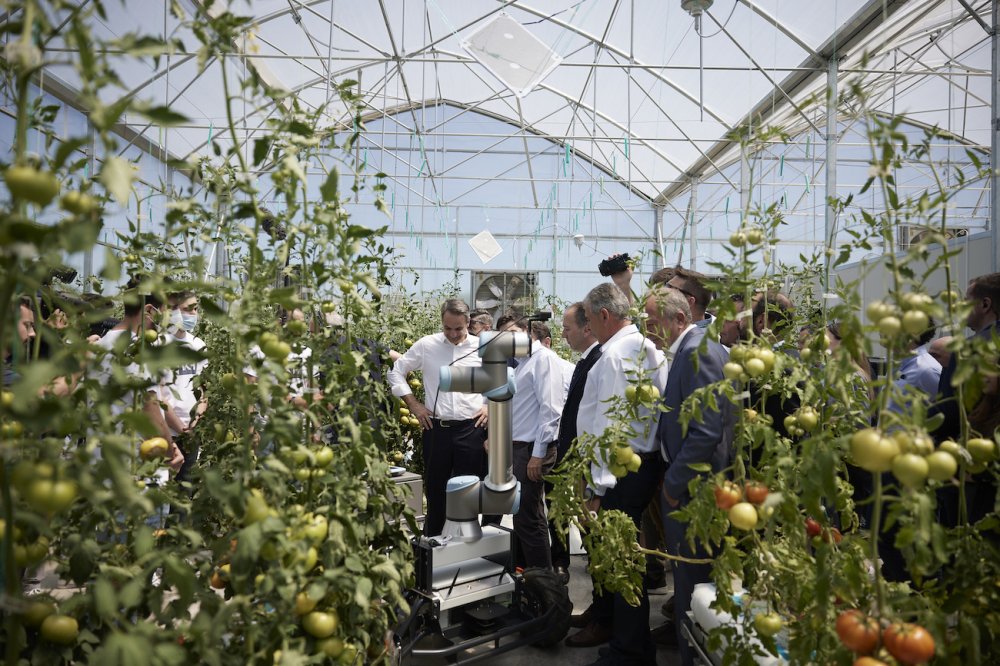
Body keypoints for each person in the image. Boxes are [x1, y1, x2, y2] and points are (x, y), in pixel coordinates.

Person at [565, 284, 665, 666]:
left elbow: (609, 427)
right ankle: (631, 643)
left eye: (588, 319)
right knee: (627, 559)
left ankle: (630, 651)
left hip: (620, 473)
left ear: (604, 316)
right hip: (639, 465)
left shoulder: (614, 356)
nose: (588, 326)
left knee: (621, 562)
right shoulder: (645, 348)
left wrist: (598, 485)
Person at [645, 287, 733, 666]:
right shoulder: (692, 347)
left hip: (695, 489)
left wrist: (675, 485)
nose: (647, 330)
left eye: (652, 321)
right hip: (691, 484)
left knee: (693, 585)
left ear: (680, 318)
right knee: (691, 583)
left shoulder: (698, 351)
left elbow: (706, 430)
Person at [387, 299, 488, 537]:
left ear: (468, 323)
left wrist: (489, 406)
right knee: (436, 492)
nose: (453, 334)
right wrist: (413, 405)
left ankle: (466, 548)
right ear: (442, 322)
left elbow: (503, 380)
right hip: (437, 429)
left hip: (471, 429)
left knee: (468, 493)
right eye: (448, 328)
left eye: (459, 329)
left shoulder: (483, 347)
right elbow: (396, 372)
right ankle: (433, 547)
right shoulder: (427, 345)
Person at [93, 280, 185, 475]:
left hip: (103, 460)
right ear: (150, 311)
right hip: (136, 465)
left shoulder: (102, 344)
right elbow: (150, 410)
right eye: (168, 309)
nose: (172, 316)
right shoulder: (135, 351)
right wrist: (171, 451)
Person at [505, 318, 567, 571]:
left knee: (529, 519)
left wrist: (538, 454)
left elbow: (551, 410)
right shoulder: (523, 364)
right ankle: (537, 578)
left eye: (513, 334)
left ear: (528, 333)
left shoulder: (543, 359)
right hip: (522, 449)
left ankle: (544, 582)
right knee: (525, 517)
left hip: (531, 450)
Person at [550, 302, 601, 587]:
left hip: (588, 464)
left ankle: (603, 613)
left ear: (587, 327)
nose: (564, 335)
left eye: (567, 329)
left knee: (592, 529)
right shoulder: (586, 359)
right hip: (578, 461)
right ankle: (599, 608)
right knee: (585, 526)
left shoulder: (597, 360)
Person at [165, 291, 208, 481]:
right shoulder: (158, 344)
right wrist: (181, 428)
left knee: (183, 496)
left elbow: (204, 391)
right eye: (186, 309)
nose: (192, 314)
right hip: (165, 432)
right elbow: (157, 397)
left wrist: (195, 423)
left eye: (195, 309)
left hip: (191, 435)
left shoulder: (198, 346)